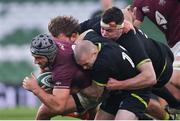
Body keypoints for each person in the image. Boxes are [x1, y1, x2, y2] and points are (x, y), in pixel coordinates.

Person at [80, 6, 179, 119]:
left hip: (161, 68)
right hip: (129, 77)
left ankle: (173, 108)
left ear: (121, 28)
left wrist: (119, 84)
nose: (104, 34)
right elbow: (73, 31)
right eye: (102, 29)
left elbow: (150, 78)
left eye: (109, 31)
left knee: (146, 101)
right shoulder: (102, 24)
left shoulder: (131, 40)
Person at [74, 38, 151, 120]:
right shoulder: (100, 45)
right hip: (117, 92)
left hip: (137, 91)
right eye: (81, 65)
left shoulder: (102, 63)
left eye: (86, 64)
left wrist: (76, 88)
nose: (84, 68)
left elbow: (95, 94)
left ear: (94, 53)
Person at [131, 0, 180, 90]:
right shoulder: (139, 3)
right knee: (171, 84)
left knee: (175, 77)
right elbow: (134, 28)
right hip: (174, 44)